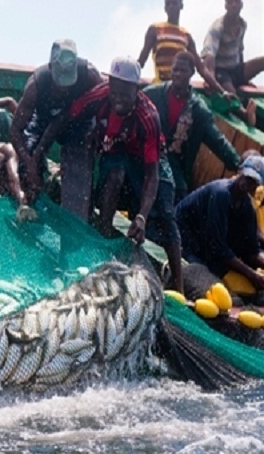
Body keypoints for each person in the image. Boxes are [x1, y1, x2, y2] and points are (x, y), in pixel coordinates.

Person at [41, 56, 183, 293]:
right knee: (113, 176)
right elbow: (66, 116)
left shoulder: (149, 117)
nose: (117, 98)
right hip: (116, 150)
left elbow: (151, 174)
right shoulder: (100, 95)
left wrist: (142, 217)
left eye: (124, 93)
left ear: (136, 90)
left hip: (148, 160)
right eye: (114, 91)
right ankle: (103, 242)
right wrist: (40, 150)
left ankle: (178, 285)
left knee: (167, 215)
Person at [9, 39, 103, 219]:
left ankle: (77, 218)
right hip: (44, 119)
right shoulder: (35, 86)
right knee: (28, 151)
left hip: (78, 124)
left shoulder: (90, 76)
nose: (63, 87)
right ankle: (29, 207)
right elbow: (15, 131)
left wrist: (98, 131)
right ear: (51, 68)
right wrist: (30, 163)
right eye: (59, 80)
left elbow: (106, 107)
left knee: (80, 154)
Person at [143, 51, 240, 202]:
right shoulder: (153, 95)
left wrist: (239, 164)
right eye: (175, 70)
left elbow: (217, 140)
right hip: (147, 158)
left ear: (192, 73)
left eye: (183, 71)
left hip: (175, 167)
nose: (178, 74)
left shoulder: (198, 110)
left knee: (177, 192)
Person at [176, 155, 264, 305]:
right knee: (206, 277)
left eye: (253, 182)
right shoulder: (221, 193)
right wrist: (252, 275)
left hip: (205, 243)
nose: (247, 184)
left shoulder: (247, 207)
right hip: (185, 238)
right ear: (240, 171)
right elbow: (217, 247)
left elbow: (252, 249)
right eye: (247, 177)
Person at [138, 0, 225, 92]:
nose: (171, 6)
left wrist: (222, 91)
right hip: (160, 88)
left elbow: (201, 68)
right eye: (168, 4)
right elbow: (141, 61)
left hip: (179, 89)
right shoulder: (155, 30)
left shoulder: (185, 35)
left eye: (174, 3)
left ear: (181, 6)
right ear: (165, 8)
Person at [201, 0, 264, 103]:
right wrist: (210, 79)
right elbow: (209, 55)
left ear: (241, 5)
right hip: (221, 72)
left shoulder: (242, 25)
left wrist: (244, 78)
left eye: (236, 1)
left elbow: (239, 50)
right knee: (233, 99)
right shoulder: (218, 27)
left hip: (235, 69)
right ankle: (245, 114)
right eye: (230, 2)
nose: (234, 5)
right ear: (226, 5)